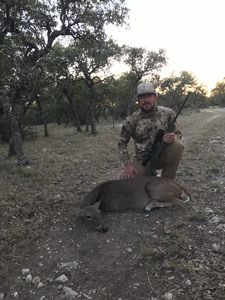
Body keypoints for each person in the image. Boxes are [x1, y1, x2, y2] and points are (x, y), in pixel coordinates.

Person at [118, 82, 184, 180]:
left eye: (149, 96)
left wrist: (172, 137)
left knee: (177, 145)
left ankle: (167, 181)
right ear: (138, 100)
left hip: (162, 155)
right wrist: (128, 165)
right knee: (125, 180)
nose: (146, 100)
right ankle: (148, 175)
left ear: (155, 97)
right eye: (142, 97)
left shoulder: (168, 113)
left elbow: (178, 134)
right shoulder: (131, 120)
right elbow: (122, 143)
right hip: (142, 160)